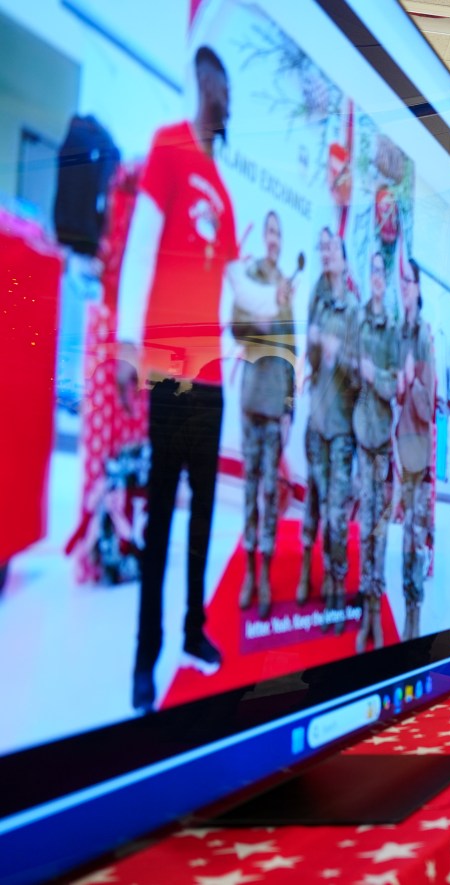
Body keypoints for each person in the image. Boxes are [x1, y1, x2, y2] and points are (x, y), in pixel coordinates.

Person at [117, 46, 238, 712]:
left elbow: (230, 287)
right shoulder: (168, 148)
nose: (223, 97)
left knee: (200, 520)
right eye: (216, 83)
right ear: (203, 85)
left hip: (213, 375)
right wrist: (129, 343)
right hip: (168, 367)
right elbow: (141, 239)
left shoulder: (223, 190)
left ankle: (194, 629)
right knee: (160, 514)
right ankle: (146, 654)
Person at [230, 210, 296, 618]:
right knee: (250, 490)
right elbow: (235, 329)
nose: (272, 237)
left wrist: (290, 408)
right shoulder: (252, 278)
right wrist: (259, 319)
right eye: (268, 230)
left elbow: (292, 351)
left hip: (275, 407)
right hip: (250, 398)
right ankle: (250, 572)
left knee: (270, 493)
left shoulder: (286, 287)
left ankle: (265, 576)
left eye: (277, 232)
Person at [298, 228, 360, 622]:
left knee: (337, 513)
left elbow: (360, 378)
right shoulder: (316, 302)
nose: (325, 253)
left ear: (343, 256)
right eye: (320, 247)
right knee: (313, 504)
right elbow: (309, 361)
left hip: (342, 428)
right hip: (316, 423)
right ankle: (306, 574)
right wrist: (315, 347)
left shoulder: (354, 309)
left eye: (330, 247)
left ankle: (336, 582)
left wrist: (340, 355)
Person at [353, 251, 400, 653]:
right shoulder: (358, 321)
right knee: (360, 512)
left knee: (378, 522)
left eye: (382, 272)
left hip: (382, 440)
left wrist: (376, 375)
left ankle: (374, 592)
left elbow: (395, 385)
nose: (378, 279)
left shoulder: (393, 329)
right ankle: (361, 587)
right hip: (354, 432)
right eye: (373, 272)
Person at [394, 258, 436, 641]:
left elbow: (428, 408)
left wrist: (411, 382)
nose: (403, 287)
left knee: (412, 550)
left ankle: (414, 638)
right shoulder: (395, 335)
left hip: (415, 462)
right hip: (388, 457)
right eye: (400, 281)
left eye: (409, 282)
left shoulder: (424, 338)